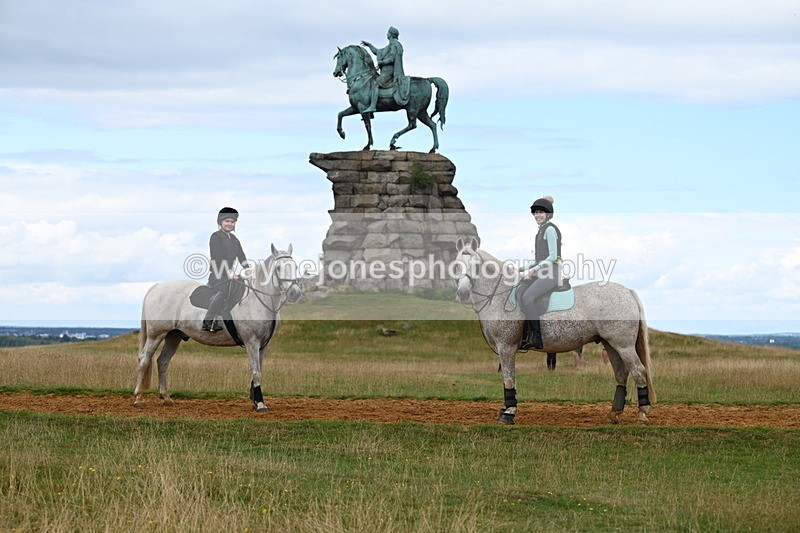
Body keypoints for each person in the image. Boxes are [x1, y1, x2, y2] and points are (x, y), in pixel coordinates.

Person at [519, 196, 562, 350]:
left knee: (527, 296)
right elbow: (539, 259)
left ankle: (537, 337)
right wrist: (521, 269)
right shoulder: (540, 230)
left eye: (541, 212)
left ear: (548, 214)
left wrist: (533, 270)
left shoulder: (550, 229)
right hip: (544, 272)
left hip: (553, 273)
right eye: (536, 212)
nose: (537, 215)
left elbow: (552, 256)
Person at [202, 207, 247, 332]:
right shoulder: (215, 237)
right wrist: (228, 272)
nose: (229, 224)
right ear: (220, 222)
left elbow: (241, 256)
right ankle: (208, 321)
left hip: (230, 275)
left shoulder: (234, 240)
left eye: (232, 222)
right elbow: (217, 256)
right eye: (227, 221)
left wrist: (248, 269)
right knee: (223, 292)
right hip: (218, 274)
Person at [361, 26, 410, 112]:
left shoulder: (395, 45)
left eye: (388, 33)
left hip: (390, 73)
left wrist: (381, 63)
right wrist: (369, 45)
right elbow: (377, 51)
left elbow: (392, 59)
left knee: (375, 83)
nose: (386, 34)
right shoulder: (390, 45)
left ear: (391, 34)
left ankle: (373, 106)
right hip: (385, 72)